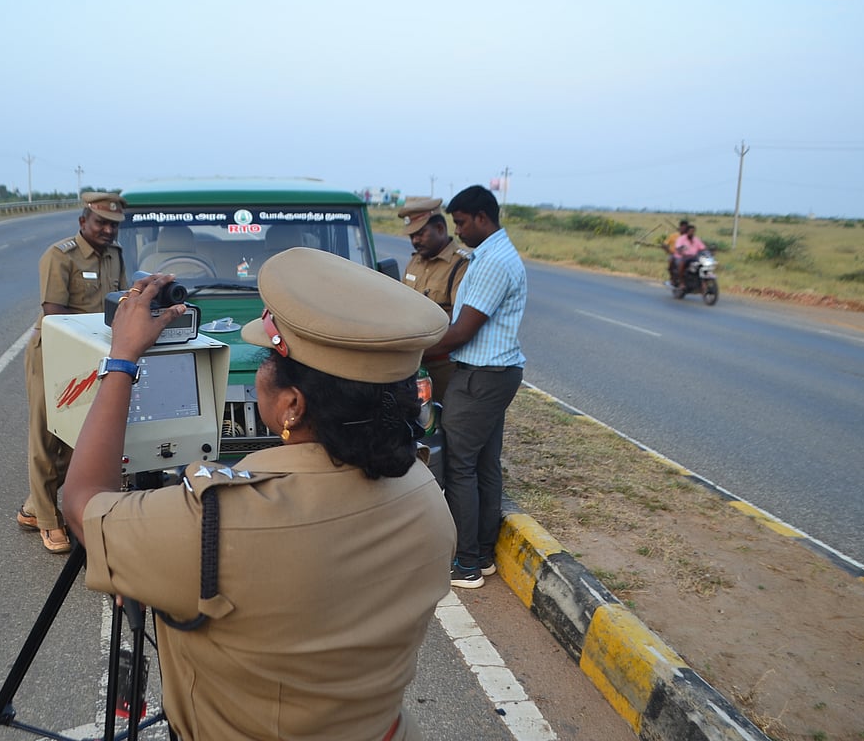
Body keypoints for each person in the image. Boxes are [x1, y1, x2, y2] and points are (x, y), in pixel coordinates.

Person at [62, 249, 455, 741]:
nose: (262, 368)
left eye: (269, 356)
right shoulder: (424, 492)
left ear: (292, 404)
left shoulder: (216, 520)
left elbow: (81, 503)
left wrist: (121, 361)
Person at [422, 185, 526, 589]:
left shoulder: (494, 262)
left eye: (462, 222)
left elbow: (461, 331)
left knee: (460, 466)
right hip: (492, 373)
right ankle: (481, 554)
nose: (458, 231)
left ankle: (466, 563)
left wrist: (413, 353)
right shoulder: (488, 255)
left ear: (482, 218)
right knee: (483, 464)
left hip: (481, 375)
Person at [17, 191, 128, 553]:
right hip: (56, 352)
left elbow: (121, 303)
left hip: (95, 355)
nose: (108, 231)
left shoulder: (115, 256)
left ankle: (35, 506)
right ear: (83, 222)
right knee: (48, 437)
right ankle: (49, 522)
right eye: (101, 223)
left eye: (113, 225)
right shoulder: (59, 256)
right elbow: (54, 315)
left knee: (81, 437)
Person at [398, 196, 471, 403]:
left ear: (440, 228)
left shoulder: (460, 265)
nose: (415, 240)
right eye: (412, 235)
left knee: (441, 424)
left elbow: (459, 320)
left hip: (442, 368)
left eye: (420, 234)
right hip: (409, 364)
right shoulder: (415, 262)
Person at [661, 218, 690, 286]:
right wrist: (669, 251)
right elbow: (665, 244)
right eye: (682, 227)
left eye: (685, 228)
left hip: (687, 255)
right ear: (680, 227)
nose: (684, 229)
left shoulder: (689, 237)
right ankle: (672, 279)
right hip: (675, 254)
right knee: (671, 261)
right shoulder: (673, 235)